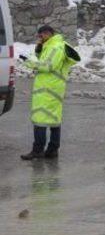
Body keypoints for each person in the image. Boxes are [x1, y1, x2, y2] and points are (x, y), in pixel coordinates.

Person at [19, 26, 80, 160]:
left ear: (48, 34)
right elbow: (46, 60)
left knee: (40, 119)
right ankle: (52, 150)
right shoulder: (53, 45)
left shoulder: (55, 47)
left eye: (41, 36)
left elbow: (47, 65)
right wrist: (39, 49)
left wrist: (29, 62)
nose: (39, 38)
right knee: (53, 120)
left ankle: (38, 151)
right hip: (52, 88)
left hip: (48, 89)